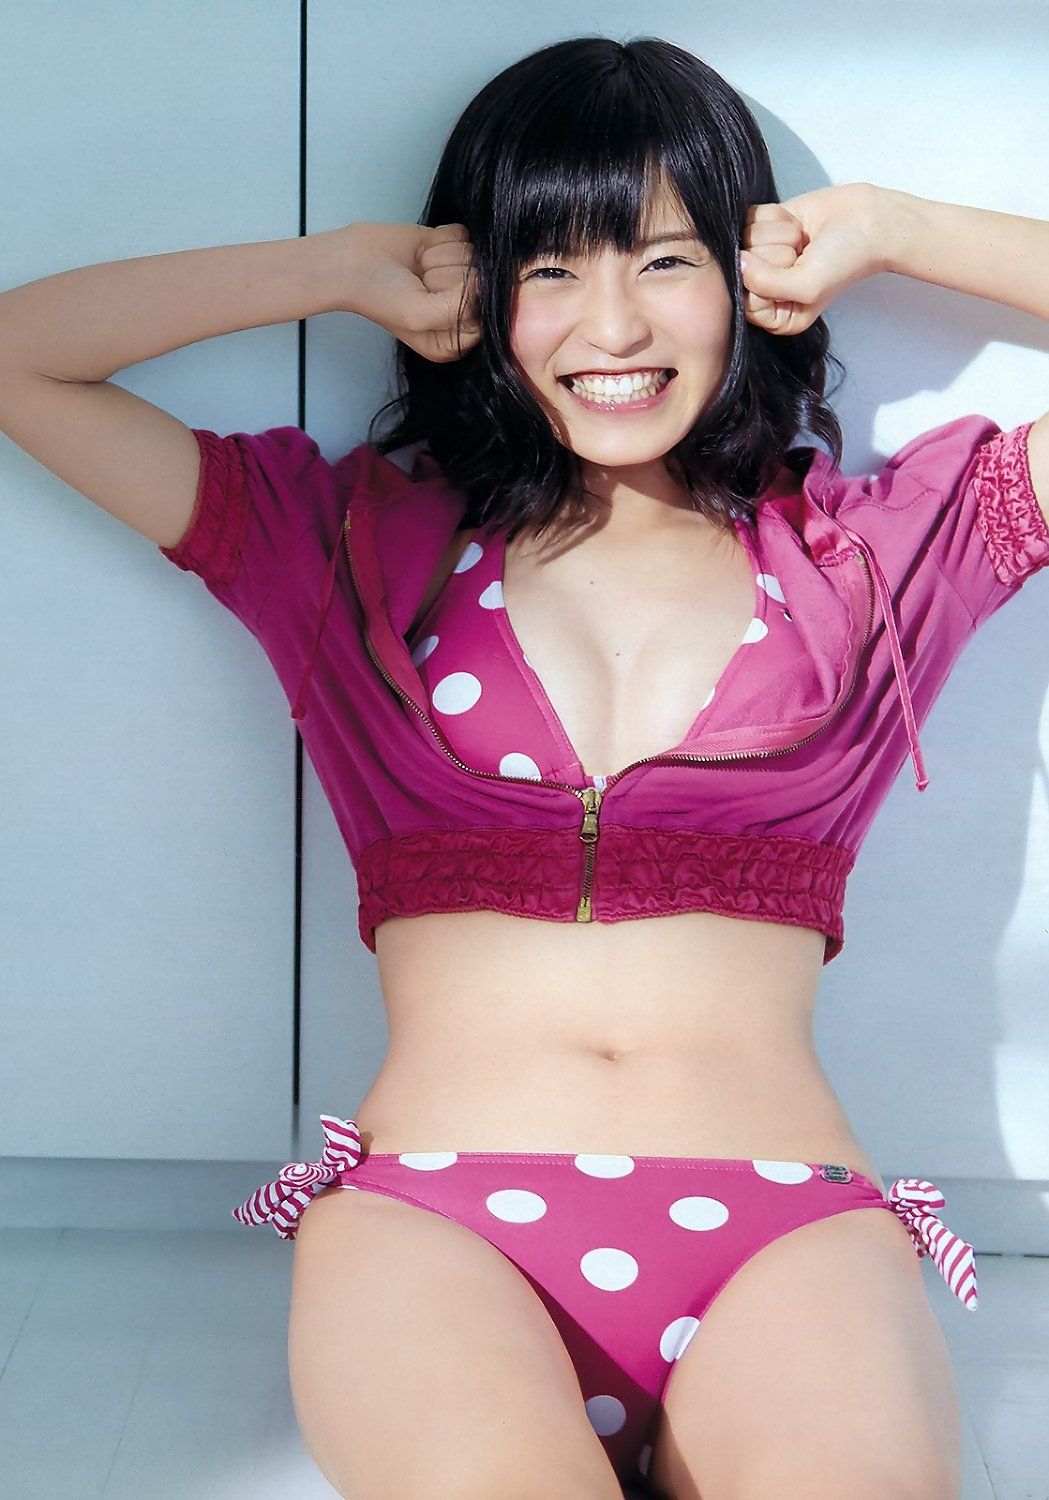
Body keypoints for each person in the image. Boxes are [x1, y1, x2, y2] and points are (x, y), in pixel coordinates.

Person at [1, 31, 1046, 1500]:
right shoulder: (337, 545)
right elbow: (19, 354)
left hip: (790, 1230)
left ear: (748, 279)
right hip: (434, 1225)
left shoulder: (880, 557)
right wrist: (337, 268)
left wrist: (897, 229)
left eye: (665, 261)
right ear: (480, 297)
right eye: (547, 269)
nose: (610, 325)